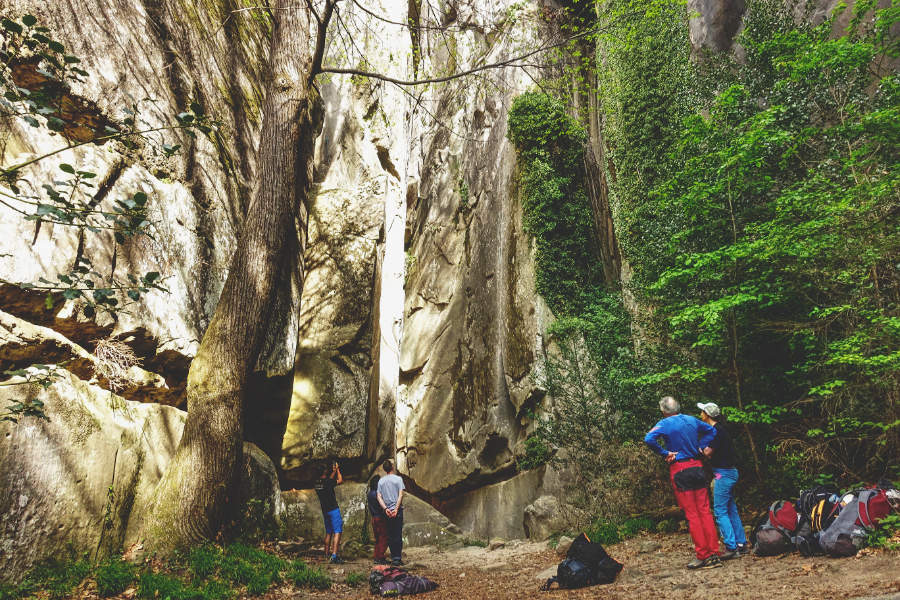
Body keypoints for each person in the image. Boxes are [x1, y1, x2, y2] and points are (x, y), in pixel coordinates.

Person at [644, 395, 722, 569]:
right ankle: (714, 552)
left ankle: (703, 555)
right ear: (677, 408)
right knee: (705, 511)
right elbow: (712, 431)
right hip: (698, 467)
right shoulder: (691, 420)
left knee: (693, 514)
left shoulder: (664, 424)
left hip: (680, 469)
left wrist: (665, 453)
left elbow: (648, 439)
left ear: (663, 411)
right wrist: (701, 446)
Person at [698, 402, 748, 558]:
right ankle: (741, 543)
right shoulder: (720, 430)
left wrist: (697, 448)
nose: (700, 414)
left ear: (707, 414)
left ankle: (731, 547)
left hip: (723, 474)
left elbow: (707, 452)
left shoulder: (715, 431)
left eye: (702, 411)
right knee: (730, 509)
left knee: (720, 511)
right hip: (729, 473)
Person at [314, 459, 344, 564]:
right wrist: (338, 470)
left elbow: (329, 481)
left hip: (325, 511)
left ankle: (326, 554)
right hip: (333, 509)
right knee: (337, 531)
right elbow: (340, 480)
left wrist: (333, 471)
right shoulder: (328, 482)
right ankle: (334, 555)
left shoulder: (317, 483)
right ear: (324, 472)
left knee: (328, 532)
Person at [376, 459, 405, 566]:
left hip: (387, 512)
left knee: (390, 534)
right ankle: (397, 558)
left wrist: (385, 509)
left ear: (384, 469)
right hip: (397, 510)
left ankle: (393, 557)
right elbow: (401, 495)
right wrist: (396, 509)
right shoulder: (398, 479)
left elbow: (378, 496)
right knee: (398, 533)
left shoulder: (381, 481)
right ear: (392, 467)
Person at [367, 474, 389, 564]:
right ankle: (380, 556)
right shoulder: (377, 494)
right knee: (384, 537)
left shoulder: (369, 494)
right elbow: (381, 506)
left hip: (373, 518)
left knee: (377, 539)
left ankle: (377, 556)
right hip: (380, 518)